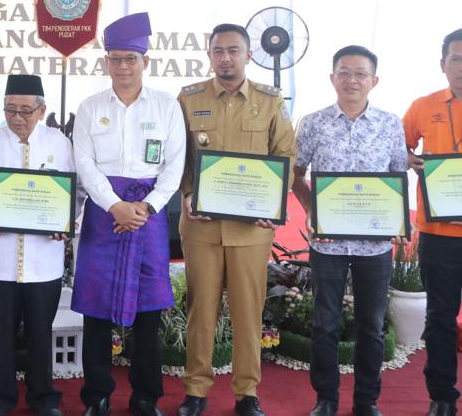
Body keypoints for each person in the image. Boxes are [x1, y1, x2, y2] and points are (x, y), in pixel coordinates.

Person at [176, 24, 295, 416]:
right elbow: (178, 157)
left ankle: (247, 394)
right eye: (218, 51)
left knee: (248, 313)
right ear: (209, 55)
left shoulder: (270, 101)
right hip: (202, 227)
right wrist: (188, 192)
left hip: (251, 231)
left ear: (247, 55)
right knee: (201, 311)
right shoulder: (189, 99)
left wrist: (272, 202)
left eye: (233, 50)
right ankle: (196, 391)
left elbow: (285, 155)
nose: (225, 57)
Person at [70, 12, 186, 416]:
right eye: (115, 59)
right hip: (104, 218)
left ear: (145, 62)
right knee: (96, 314)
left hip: (149, 217)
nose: (123, 67)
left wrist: (147, 207)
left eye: (130, 59)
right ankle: (97, 396)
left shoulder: (167, 107)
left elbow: (174, 165)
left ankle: (145, 397)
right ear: (106, 62)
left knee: (148, 315)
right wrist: (113, 204)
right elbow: (83, 162)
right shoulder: (89, 107)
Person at [292, 45, 406, 416]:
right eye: (344, 72)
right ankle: (325, 399)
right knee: (325, 323)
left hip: (375, 246)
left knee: (372, 326)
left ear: (374, 80)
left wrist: (396, 221)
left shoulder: (390, 124)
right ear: (332, 78)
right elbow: (294, 174)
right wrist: (311, 207)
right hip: (328, 243)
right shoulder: (312, 122)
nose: (352, 80)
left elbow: (396, 177)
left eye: (360, 73)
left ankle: (366, 401)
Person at [0, 74, 74, 416]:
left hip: (43, 257)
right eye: (10, 109)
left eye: (25, 110)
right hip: (0, 257)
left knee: (39, 332)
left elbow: (75, 192)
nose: (17, 117)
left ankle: (43, 397)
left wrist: (66, 221)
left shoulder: (60, 143)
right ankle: (1, 398)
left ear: (42, 109)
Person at [404, 27, 462, 416]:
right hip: (439, 234)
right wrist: (412, 162)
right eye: (456, 58)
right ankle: (442, 396)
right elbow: (398, 147)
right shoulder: (424, 107)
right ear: (443, 65)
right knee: (440, 316)